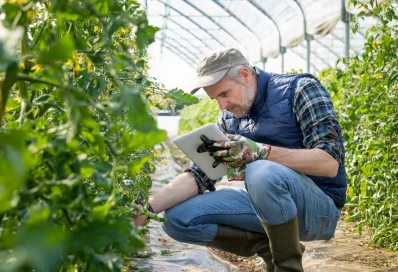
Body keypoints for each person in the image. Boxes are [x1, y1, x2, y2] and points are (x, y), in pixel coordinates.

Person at [134, 48, 347, 272]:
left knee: (260, 170)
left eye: (225, 94)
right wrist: (148, 209)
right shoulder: (228, 119)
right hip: (268, 205)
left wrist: (261, 152)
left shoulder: (300, 90)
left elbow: (330, 163)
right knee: (177, 218)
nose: (221, 105)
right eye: (215, 98)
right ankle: (270, 248)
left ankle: (288, 267)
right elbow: (199, 174)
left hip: (318, 209)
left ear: (245, 75)